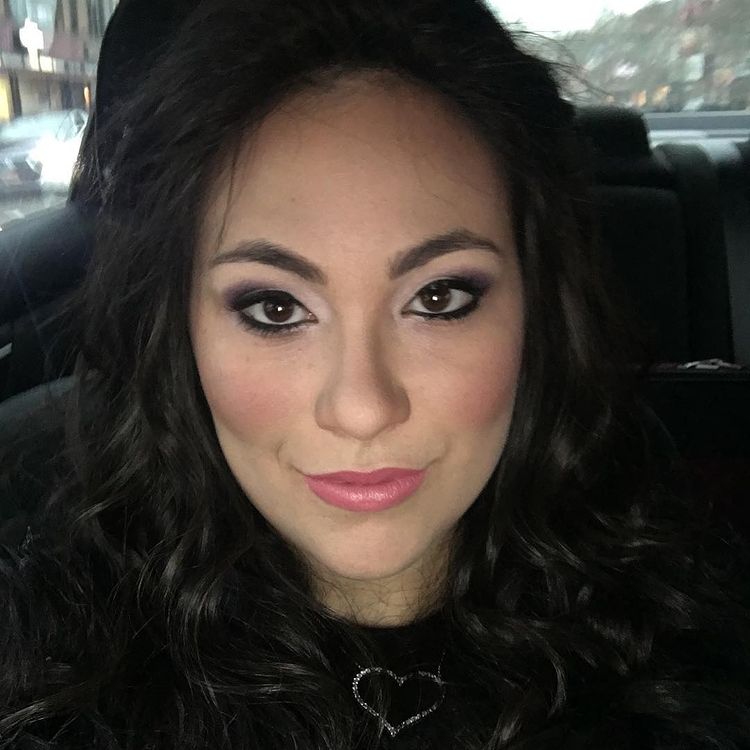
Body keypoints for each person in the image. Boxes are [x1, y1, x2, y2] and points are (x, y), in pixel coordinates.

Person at [1, 1, 749, 748]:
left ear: (538, 309)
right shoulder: (49, 663)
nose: (362, 407)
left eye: (439, 298)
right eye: (275, 308)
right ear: (181, 329)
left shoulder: (696, 640)